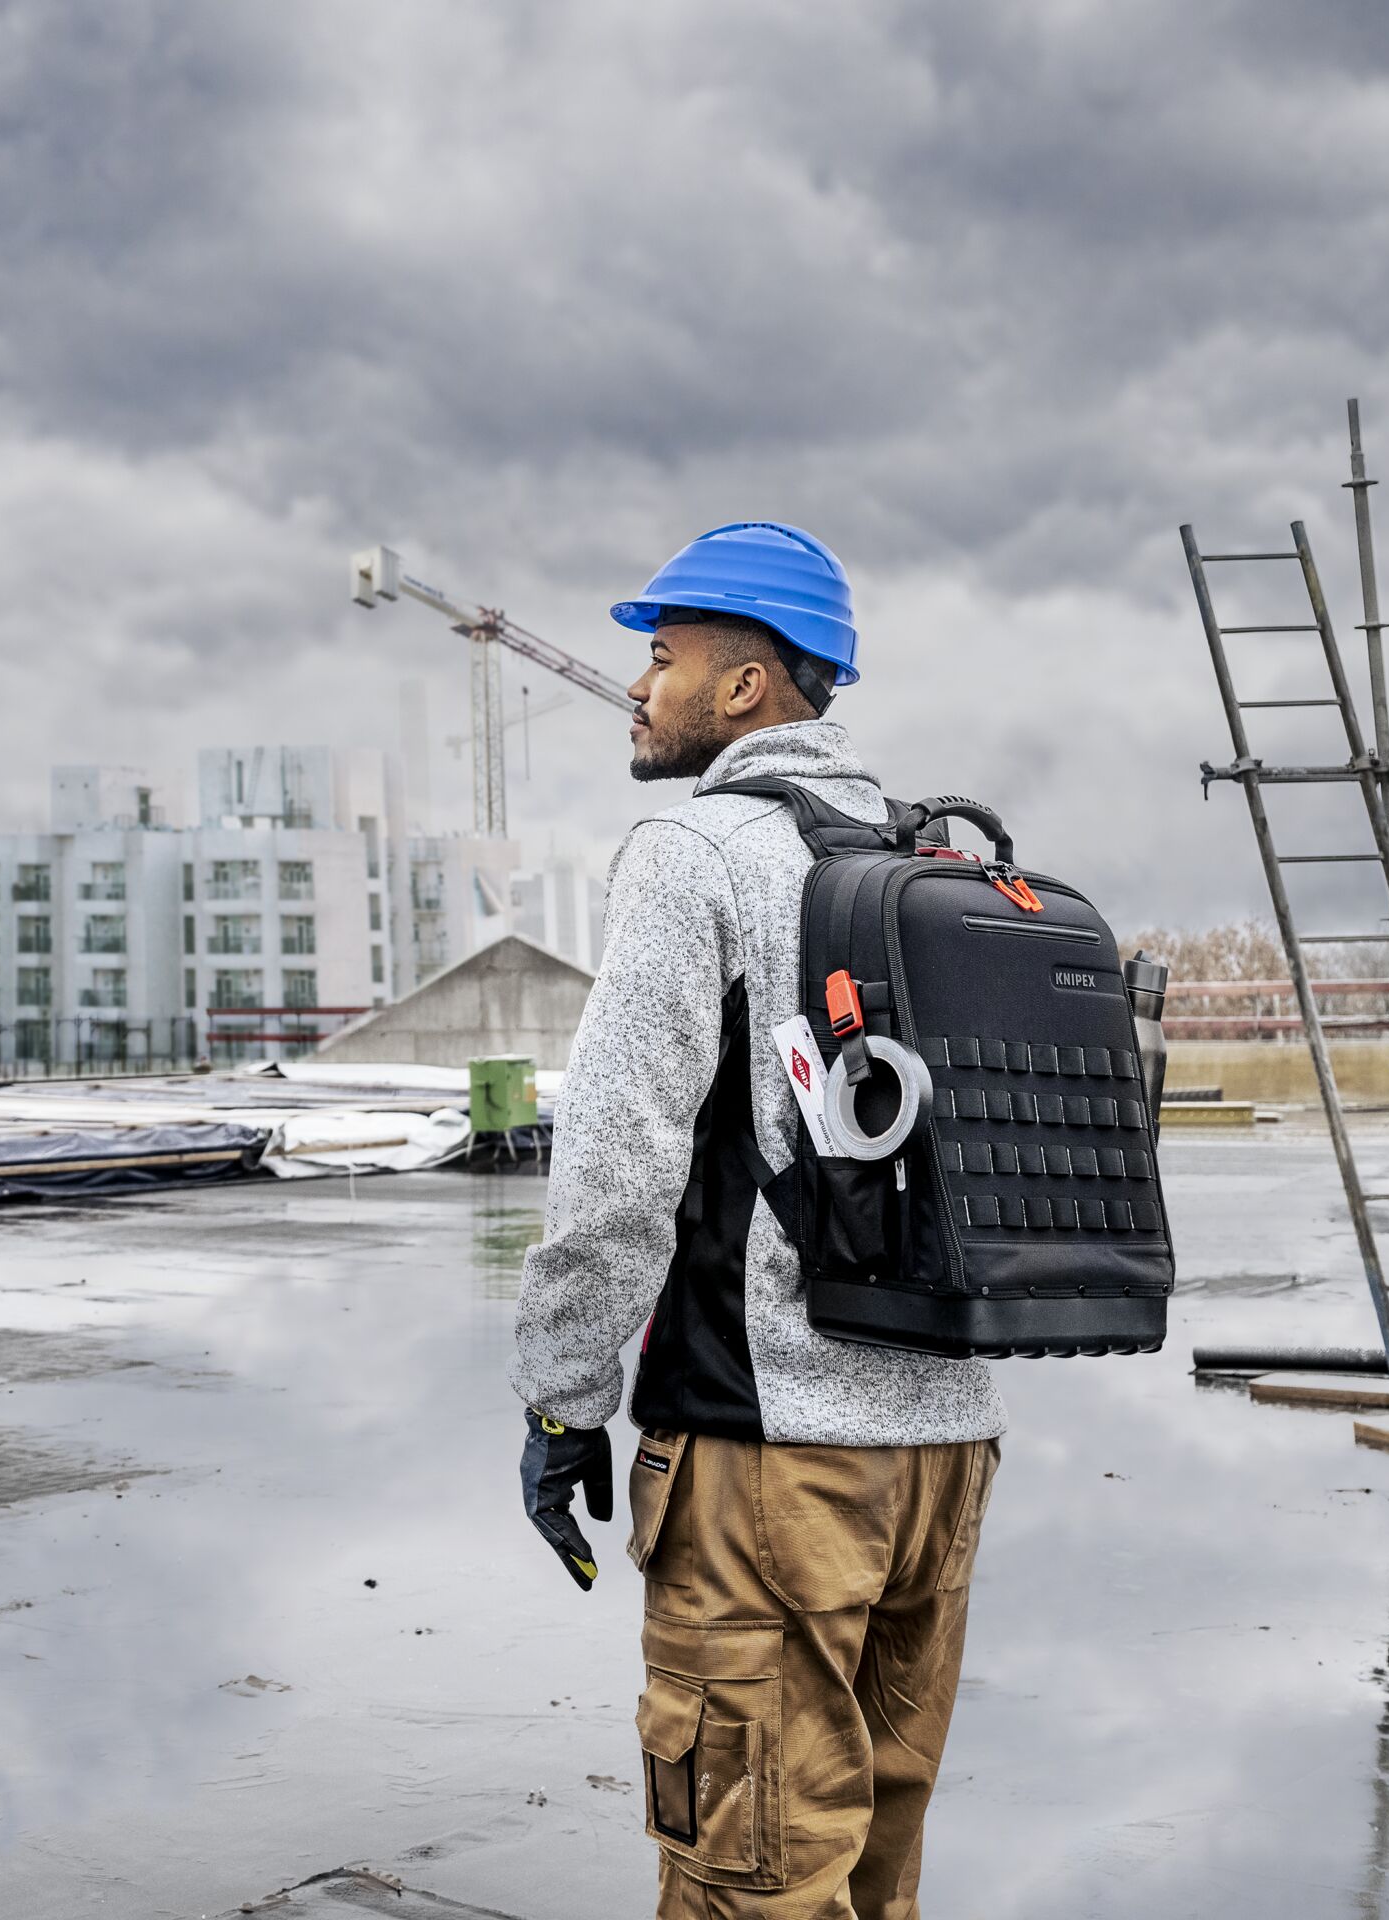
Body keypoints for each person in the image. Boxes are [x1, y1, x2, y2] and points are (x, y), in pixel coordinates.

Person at [511, 522, 1006, 1919]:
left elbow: (615, 1165)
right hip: (945, 1454)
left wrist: (562, 1401)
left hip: (768, 1457)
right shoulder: (934, 866)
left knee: (751, 1879)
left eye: (660, 658)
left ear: (745, 690)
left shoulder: (698, 855)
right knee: (871, 1875)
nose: (638, 686)